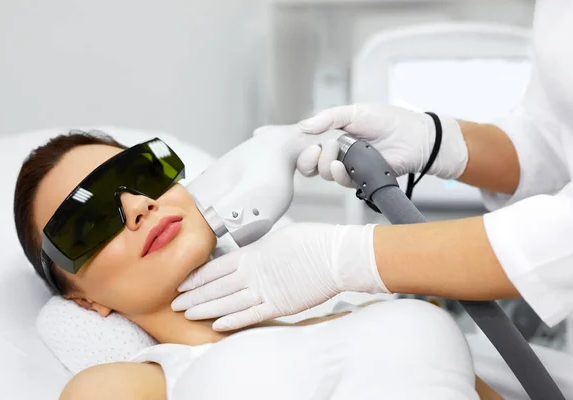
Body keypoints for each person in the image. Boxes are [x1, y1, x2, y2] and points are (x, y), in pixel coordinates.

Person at [171, 0, 573, 337]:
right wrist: (437, 140)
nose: (144, 206)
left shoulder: (390, 331)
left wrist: (349, 258)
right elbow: (554, 135)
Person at [14, 131, 498, 399]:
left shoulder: (355, 305)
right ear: (83, 298)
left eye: (138, 174)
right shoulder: (123, 386)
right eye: (92, 218)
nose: (139, 204)